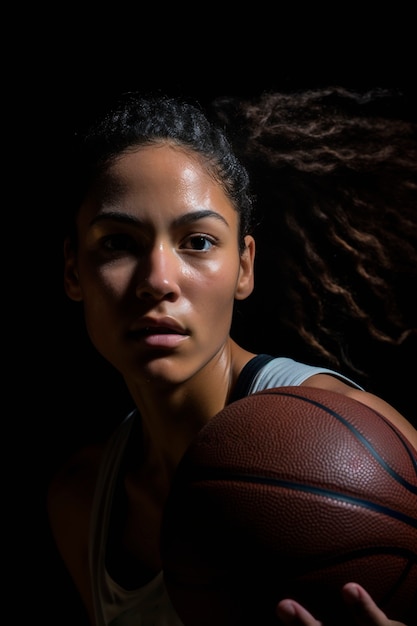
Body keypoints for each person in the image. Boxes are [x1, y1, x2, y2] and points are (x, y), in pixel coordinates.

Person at [50, 90, 417, 626]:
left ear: (244, 267)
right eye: (117, 244)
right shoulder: (82, 502)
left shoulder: (357, 442)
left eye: (197, 241)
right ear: (73, 270)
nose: (158, 281)